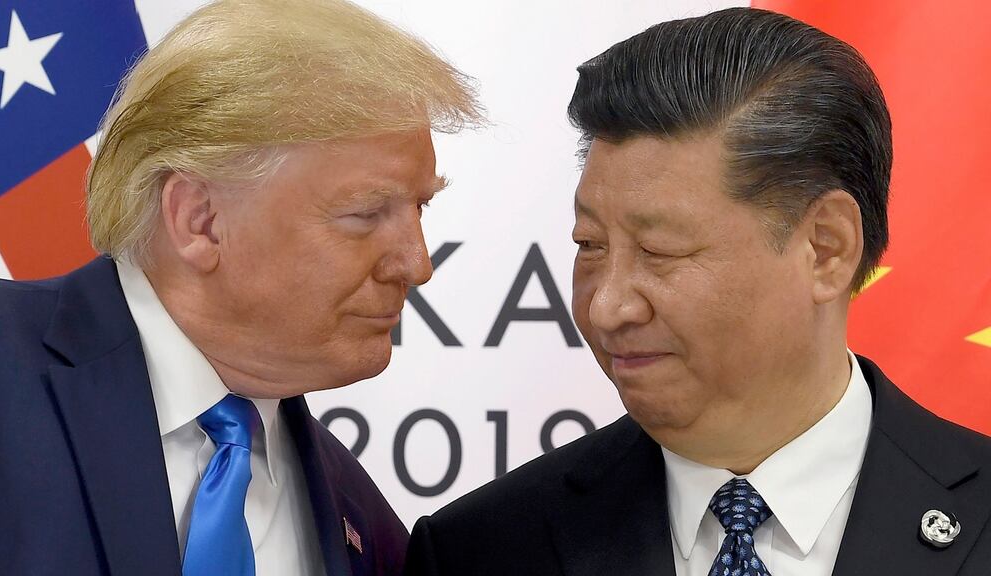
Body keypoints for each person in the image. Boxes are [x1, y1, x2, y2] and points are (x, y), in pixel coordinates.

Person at [404, 8, 991, 576]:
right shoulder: (480, 548)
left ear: (826, 248)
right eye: (590, 245)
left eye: (661, 252)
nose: (607, 307)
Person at [0, 1, 480, 575]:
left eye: (420, 206)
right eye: (366, 213)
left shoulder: (364, 522)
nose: (417, 263)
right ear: (200, 220)